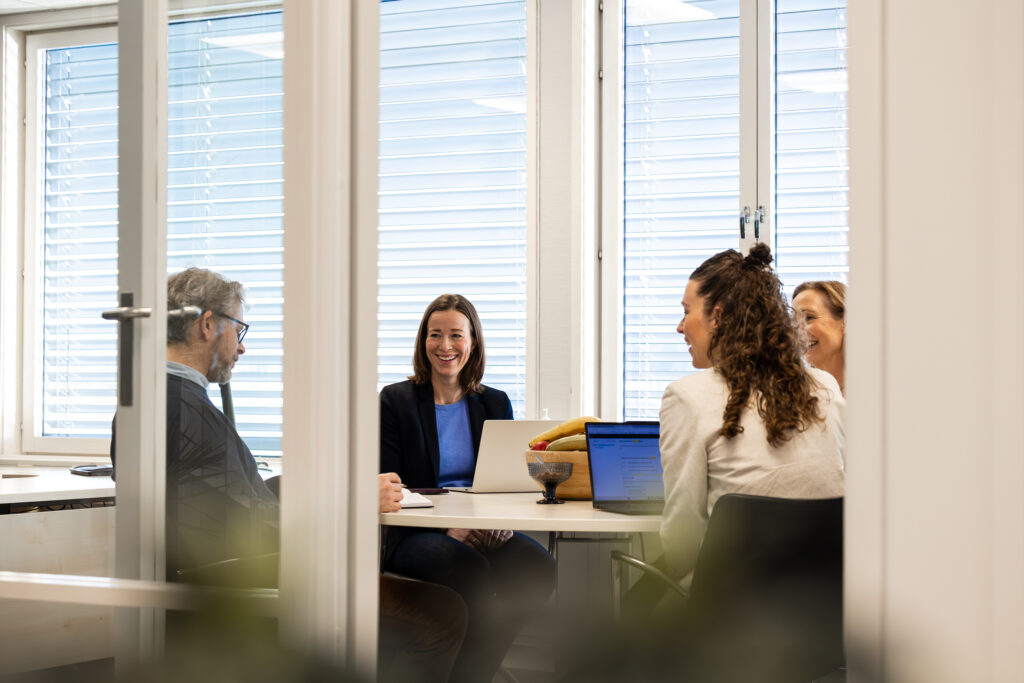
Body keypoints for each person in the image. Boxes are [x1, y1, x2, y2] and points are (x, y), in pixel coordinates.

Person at [112, 267, 467, 683]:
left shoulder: (157, 401)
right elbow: (246, 527)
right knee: (443, 614)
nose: (241, 347)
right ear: (207, 325)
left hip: (228, 578)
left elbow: (227, 500)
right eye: (238, 330)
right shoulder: (187, 410)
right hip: (250, 586)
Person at [379, 293, 556, 683]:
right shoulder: (396, 401)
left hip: (482, 528)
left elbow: (509, 484)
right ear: (423, 341)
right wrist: (450, 528)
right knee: (470, 569)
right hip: (416, 533)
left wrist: (497, 524)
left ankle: (472, 672)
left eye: (456, 335)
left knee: (537, 567)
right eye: (435, 334)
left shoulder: (494, 403)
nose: (445, 346)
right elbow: (390, 483)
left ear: (473, 342)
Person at [660, 245, 845, 590]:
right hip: (822, 601)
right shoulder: (825, 387)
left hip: (732, 606)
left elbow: (680, 546)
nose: (680, 327)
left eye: (686, 312)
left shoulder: (686, 397)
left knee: (637, 597)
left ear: (717, 317)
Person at [792, 280, 847, 394]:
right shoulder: (796, 392)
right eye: (794, 321)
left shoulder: (874, 387)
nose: (798, 331)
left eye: (809, 317)